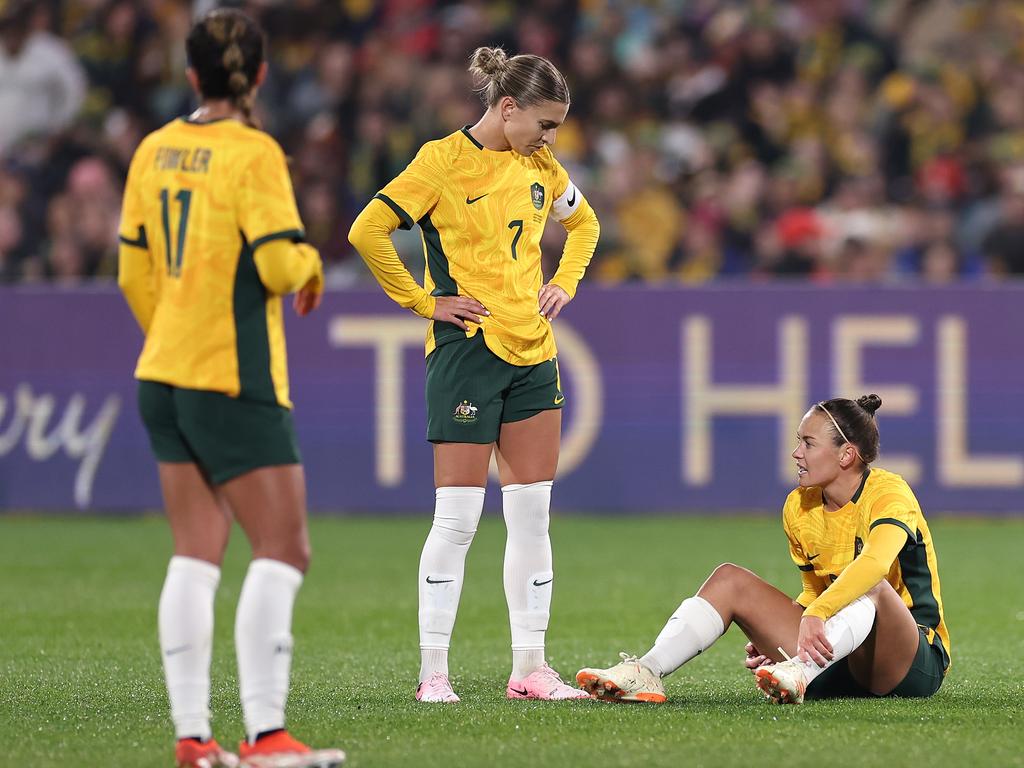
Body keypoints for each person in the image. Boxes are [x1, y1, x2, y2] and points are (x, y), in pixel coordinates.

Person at [117, 9, 345, 767]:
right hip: (232, 377)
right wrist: (312, 266)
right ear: (263, 76)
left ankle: (192, 738)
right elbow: (280, 267)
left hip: (164, 372)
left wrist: (171, 332)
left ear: (190, 77)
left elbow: (131, 271)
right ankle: (267, 734)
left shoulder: (155, 148)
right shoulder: (254, 154)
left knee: (196, 549)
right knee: (284, 547)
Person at [348, 46, 600, 703]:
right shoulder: (441, 162)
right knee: (458, 521)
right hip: (467, 350)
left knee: (532, 518)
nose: (552, 138)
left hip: (534, 353)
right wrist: (423, 301)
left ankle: (531, 668)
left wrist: (565, 283)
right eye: (545, 124)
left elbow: (586, 224)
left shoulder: (541, 165)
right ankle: (434, 673)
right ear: (508, 107)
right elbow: (368, 230)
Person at [576, 395, 950, 705]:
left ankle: (800, 672)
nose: (795, 453)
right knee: (729, 579)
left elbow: (874, 563)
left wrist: (816, 616)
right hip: (839, 656)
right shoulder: (799, 506)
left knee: (872, 585)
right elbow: (813, 592)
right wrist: (781, 633)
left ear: (846, 455)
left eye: (808, 443)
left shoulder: (888, 493)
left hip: (910, 661)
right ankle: (647, 671)